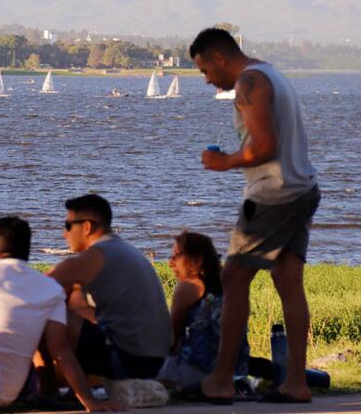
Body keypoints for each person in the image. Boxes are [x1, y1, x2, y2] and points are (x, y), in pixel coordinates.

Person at [190, 27, 321, 405]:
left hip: (273, 194)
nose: (207, 80)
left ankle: (221, 379)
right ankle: (296, 382)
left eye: (204, 70)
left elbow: (264, 147)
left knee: (233, 278)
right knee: (288, 280)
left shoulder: (250, 82)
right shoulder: (272, 73)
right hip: (302, 188)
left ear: (219, 57)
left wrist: (224, 161)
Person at [0, 216, 123, 411]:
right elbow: (60, 350)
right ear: (27, 253)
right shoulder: (49, 289)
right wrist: (89, 400)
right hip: (7, 394)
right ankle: (49, 390)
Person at [49, 194, 172, 382]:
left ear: (87, 227)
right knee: (69, 295)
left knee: (46, 313)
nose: (64, 234)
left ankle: (43, 386)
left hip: (129, 364)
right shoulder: (122, 249)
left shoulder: (96, 255)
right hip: (155, 362)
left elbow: (35, 289)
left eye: (68, 226)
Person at [158, 231, 248, 391]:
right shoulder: (228, 284)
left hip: (197, 373)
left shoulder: (190, 287)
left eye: (175, 256)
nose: (170, 264)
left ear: (197, 260)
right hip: (236, 373)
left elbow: (170, 340)